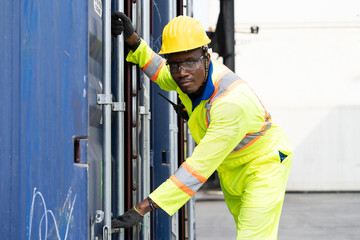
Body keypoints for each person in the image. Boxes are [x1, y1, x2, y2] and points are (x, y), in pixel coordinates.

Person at [111, 12, 293, 239]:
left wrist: (143, 208)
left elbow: (198, 167)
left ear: (206, 57)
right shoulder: (188, 75)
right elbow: (160, 71)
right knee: (247, 229)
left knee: (253, 236)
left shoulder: (231, 103)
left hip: (263, 164)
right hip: (233, 166)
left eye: (190, 61)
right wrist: (134, 41)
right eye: (175, 64)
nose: (181, 72)